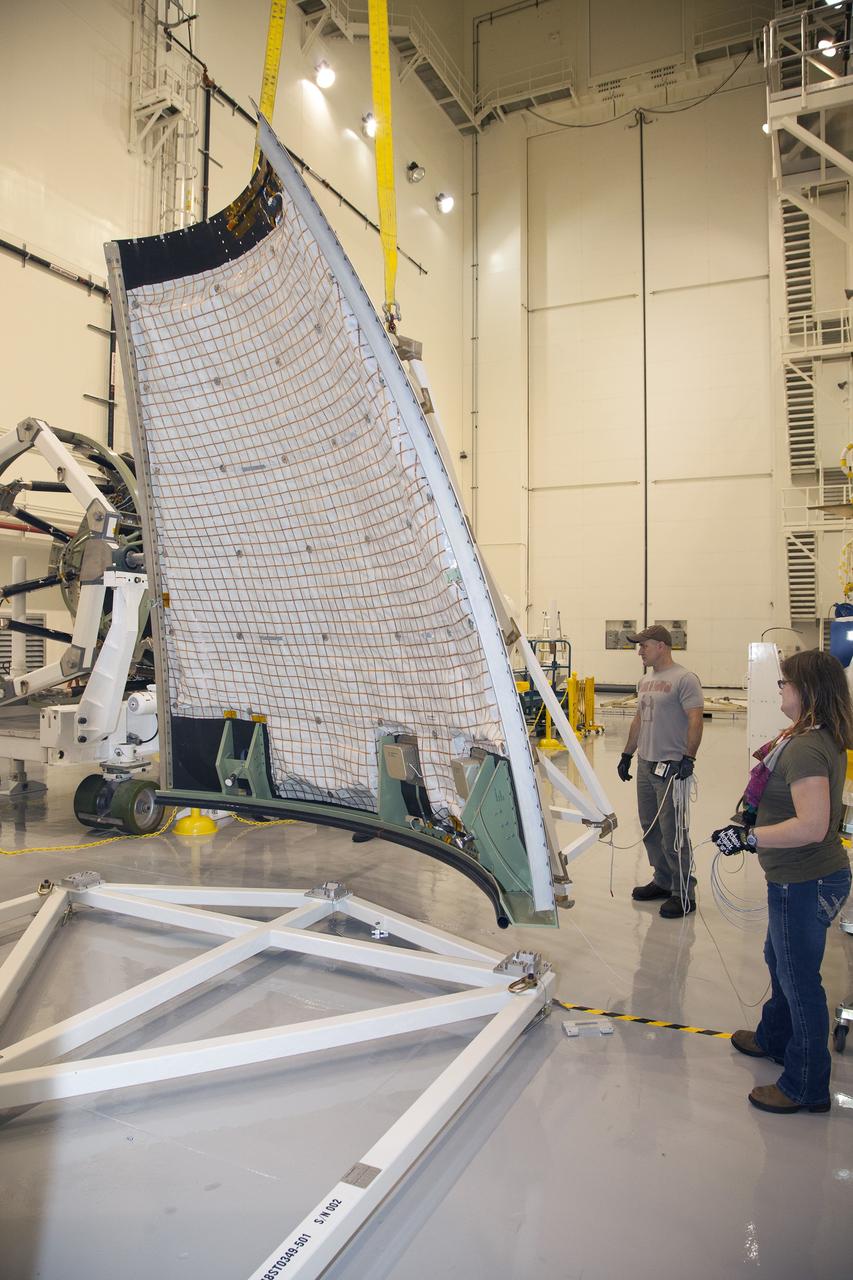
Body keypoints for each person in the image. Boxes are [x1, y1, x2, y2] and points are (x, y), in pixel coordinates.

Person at [713, 648, 853, 1115]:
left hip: (805, 879)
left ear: (807, 690)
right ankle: (776, 1037)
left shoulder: (808, 747)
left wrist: (748, 838)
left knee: (798, 979)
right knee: (779, 959)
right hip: (799, 877)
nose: (779, 688)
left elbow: (812, 826)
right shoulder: (806, 736)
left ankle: (805, 1086)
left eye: (784, 682)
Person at [617, 625, 705, 918]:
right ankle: (663, 880)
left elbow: (695, 720)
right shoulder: (645, 681)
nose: (639, 651)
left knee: (673, 833)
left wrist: (688, 758)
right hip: (645, 764)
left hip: (671, 768)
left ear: (662, 646)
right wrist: (627, 755)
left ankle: (683, 892)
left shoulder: (685, 679)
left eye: (644, 646)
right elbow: (639, 719)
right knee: (650, 827)